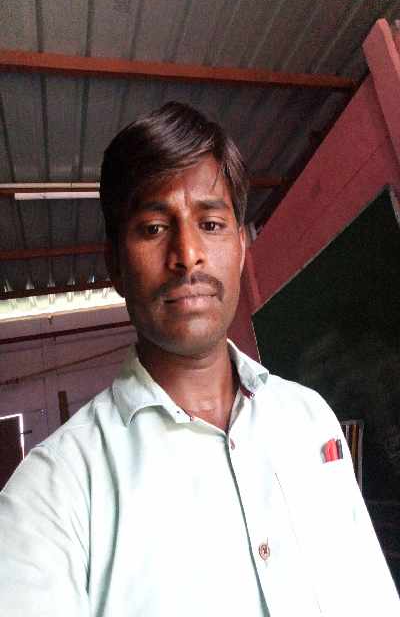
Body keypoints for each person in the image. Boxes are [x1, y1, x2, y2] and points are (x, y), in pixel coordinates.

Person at [0, 102, 398, 617]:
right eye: (153, 228)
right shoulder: (52, 494)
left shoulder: (310, 417)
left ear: (241, 247)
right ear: (115, 266)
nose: (187, 254)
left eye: (210, 223)